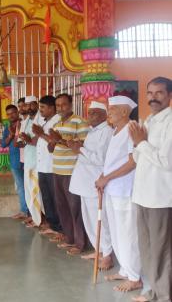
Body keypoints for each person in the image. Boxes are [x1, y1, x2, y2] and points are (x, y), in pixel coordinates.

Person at [129, 77, 172, 302]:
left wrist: (141, 143)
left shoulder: (170, 122)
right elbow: (138, 157)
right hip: (143, 194)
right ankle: (152, 289)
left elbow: (166, 161)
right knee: (146, 246)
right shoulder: (149, 120)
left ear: (169, 96)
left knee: (162, 250)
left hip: (161, 196)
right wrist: (138, 143)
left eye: (159, 93)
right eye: (150, 93)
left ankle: (163, 295)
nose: (153, 97)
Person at [95, 95, 142, 292]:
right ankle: (125, 269)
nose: (109, 113)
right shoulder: (116, 131)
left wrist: (107, 178)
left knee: (127, 233)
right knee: (116, 231)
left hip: (124, 189)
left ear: (124, 111)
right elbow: (113, 160)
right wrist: (103, 176)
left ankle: (134, 277)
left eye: (112, 109)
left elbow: (133, 162)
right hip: (112, 188)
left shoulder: (132, 129)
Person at [68, 101, 114, 269]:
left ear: (103, 115)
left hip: (95, 183)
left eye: (94, 113)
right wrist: (78, 148)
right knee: (89, 219)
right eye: (89, 112)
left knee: (100, 220)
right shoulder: (92, 132)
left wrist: (79, 149)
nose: (90, 116)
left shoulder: (107, 133)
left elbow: (100, 159)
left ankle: (107, 255)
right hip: (84, 182)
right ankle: (98, 251)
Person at [47, 93, 89, 255]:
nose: (60, 108)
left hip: (72, 171)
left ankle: (80, 243)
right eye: (58, 105)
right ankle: (69, 238)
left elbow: (83, 146)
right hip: (57, 170)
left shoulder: (79, 122)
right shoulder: (57, 122)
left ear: (71, 105)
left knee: (75, 208)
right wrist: (51, 141)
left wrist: (60, 140)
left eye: (64, 105)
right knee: (62, 207)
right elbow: (52, 148)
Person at [32, 95, 62, 237]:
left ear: (51, 108)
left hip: (51, 167)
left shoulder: (57, 121)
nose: (40, 110)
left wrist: (40, 133)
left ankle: (60, 228)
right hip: (43, 166)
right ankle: (52, 225)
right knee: (47, 198)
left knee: (55, 199)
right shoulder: (47, 121)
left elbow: (55, 141)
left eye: (43, 107)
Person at [18, 96, 44, 227]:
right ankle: (35, 217)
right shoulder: (26, 121)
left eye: (31, 105)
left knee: (37, 191)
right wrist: (21, 141)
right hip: (28, 160)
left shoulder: (41, 120)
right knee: (29, 190)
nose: (28, 108)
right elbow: (23, 141)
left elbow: (38, 139)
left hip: (38, 162)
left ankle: (40, 219)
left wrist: (27, 140)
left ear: (37, 104)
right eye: (26, 105)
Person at [1, 105, 27, 220]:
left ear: (17, 112)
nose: (11, 116)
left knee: (30, 186)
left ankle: (32, 212)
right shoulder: (7, 128)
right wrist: (11, 135)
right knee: (21, 187)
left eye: (13, 113)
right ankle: (24, 211)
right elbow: (3, 144)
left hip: (28, 160)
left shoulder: (25, 124)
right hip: (15, 161)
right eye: (8, 114)